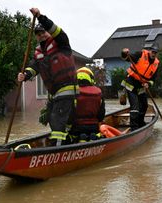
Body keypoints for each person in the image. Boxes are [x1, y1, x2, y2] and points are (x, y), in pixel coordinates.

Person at [17, 8, 77, 146]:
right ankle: (67, 141)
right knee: (50, 117)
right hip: (54, 92)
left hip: (67, 88)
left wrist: (40, 17)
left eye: (43, 32)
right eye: (38, 34)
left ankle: (58, 149)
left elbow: (55, 29)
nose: (41, 35)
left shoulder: (61, 42)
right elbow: (34, 67)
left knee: (57, 119)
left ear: (48, 32)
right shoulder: (38, 53)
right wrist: (24, 75)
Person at [120, 43, 160, 131]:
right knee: (135, 106)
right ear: (150, 51)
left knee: (144, 105)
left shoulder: (156, 64)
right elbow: (127, 58)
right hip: (131, 83)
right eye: (153, 52)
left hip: (141, 85)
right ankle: (134, 128)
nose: (154, 54)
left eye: (155, 53)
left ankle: (140, 123)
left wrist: (148, 84)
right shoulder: (140, 54)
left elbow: (153, 79)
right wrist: (124, 52)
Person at [70, 67, 105, 142]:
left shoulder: (73, 93)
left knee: (73, 136)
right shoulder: (99, 93)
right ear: (90, 78)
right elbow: (101, 115)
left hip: (77, 127)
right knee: (96, 135)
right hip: (94, 127)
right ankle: (93, 137)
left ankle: (80, 138)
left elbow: (70, 114)